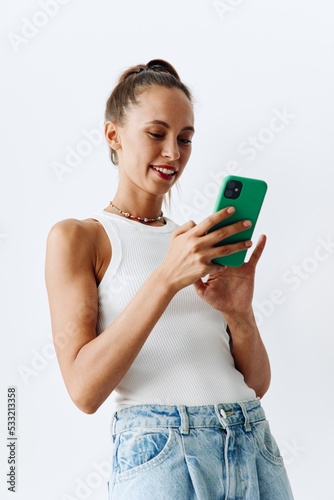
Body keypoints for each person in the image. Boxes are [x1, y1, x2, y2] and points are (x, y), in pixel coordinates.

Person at [45, 59, 294, 499]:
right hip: (163, 454)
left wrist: (239, 313)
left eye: (185, 139)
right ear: (113, 135)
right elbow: (83, 390)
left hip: (252, 440)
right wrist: (165, 279)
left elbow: (256, 384)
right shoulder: (80, 238)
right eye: (156, 134)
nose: (173, 153)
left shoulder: (194, 243)